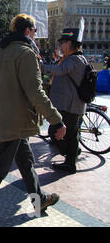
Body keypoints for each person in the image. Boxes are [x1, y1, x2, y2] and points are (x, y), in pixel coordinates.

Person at [0, 13, 66, 224]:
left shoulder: (0, 53)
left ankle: (39, 200)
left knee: (26, 161)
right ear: (28, 31)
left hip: (3, 115)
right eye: (35, 31)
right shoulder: (26, 54)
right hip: (16, 119)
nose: (36, 35)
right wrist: (55, 119)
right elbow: (35, 92)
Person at [42, 28, 87, 174]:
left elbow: (60, 70)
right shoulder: (75, 58)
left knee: (56, 131)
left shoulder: (74, 59)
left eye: (63, 43)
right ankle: (71, 159)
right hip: (71, 104)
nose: (61, 46)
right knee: (71, 134)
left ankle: (70, 157)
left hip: (69, 105)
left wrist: (40, 67)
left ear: (70, 43)